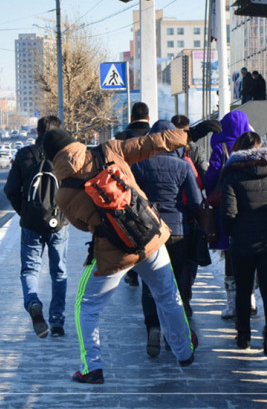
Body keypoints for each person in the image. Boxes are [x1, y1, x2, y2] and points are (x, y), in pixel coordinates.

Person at [42, 119, 221, 384]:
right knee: (168, 295)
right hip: (149, 237)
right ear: (73, 142)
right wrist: (190, 134)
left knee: (86, 306)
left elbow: (81, 225)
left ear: (52, 159)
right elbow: (152, 143)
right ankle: (184, 353)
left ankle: (92, 367)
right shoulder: (108, 150)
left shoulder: (63, 193)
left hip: (114, 254)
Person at [132, 120, 202, 358]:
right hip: (178, 231)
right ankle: (175, 336)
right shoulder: (182, 166)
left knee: (150, 284)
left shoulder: (139, 165)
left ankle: (152, 326)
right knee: (174, 286)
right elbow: (194, 201)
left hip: (148, 231)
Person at [220, 131, 267, 356]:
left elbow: (228, 214)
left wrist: (235, 232)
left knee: (243, 289)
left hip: (242, 242)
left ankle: (244, 335)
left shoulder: (231, 174)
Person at [4, 115, 69, 339]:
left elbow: (10, 190)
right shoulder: (64, 156)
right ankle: (58, 321)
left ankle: (33, 303)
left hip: (31, 222)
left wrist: (25, 212)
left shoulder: (24, 155)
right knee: (59, 272)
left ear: (38, 132)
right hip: (58, 223)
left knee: (30, 269)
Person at [204, 110, 255, 320]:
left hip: (226, 208)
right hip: (251, 210)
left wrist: (212, 193)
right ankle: (250, 299)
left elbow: (211, 177)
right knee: (250, 257)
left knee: (229, 256)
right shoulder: (253, 147)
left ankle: (232, 303)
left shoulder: (220, 147)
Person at [115, 101, 151, 287]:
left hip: (127, 193)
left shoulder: (120, 138)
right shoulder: (155, 137)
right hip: (151, 192)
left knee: (130, 233)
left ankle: (132, 273)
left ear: (131, 118)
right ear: (149, 118)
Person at [171, 114, 208, 182]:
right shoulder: (197, 150)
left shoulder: (163, 149)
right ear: (188, 130)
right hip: (191, 189)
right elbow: (204, 174)